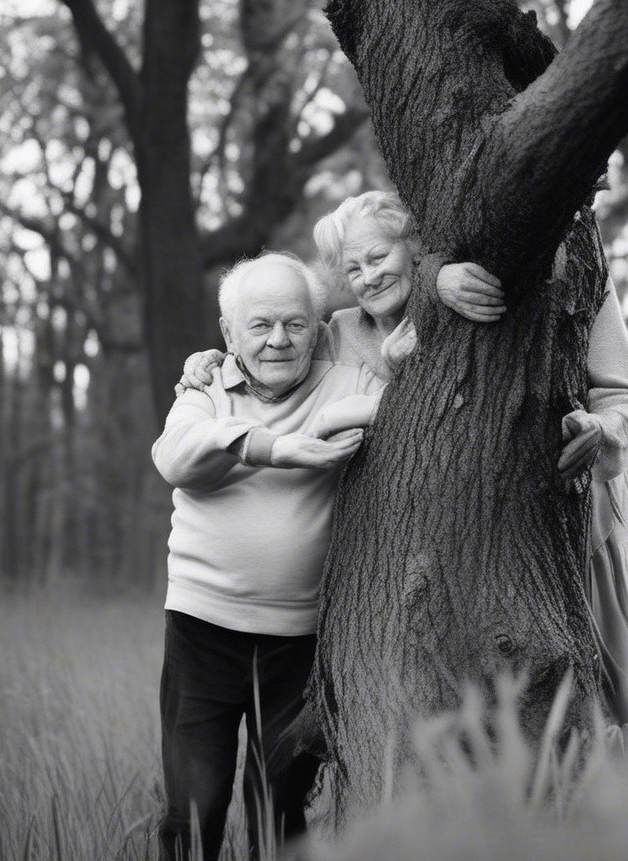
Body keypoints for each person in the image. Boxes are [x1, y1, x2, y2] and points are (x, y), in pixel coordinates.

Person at [182, 191, 628, 746]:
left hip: (570, 522)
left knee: (611, 691)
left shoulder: (549, 282)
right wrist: (213, 362)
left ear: (418, 249)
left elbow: (626, 399)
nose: (365, 277)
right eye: (351, 268)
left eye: (377, 257)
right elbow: (272, 346)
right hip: (438, 560)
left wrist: (601, 432)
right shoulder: (340, 334)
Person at [152, 253, 385, 861]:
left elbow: (412, 410)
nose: (278, 340)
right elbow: (175, 458)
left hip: (299, 642)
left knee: (281, 810)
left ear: (318, 326)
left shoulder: (347, 381)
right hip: (201, 633)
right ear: (229, 334)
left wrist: (338, 416)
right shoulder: (204, 388)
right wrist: (276, 449)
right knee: (191, 811)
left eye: (295, 323)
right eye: (259, 326)